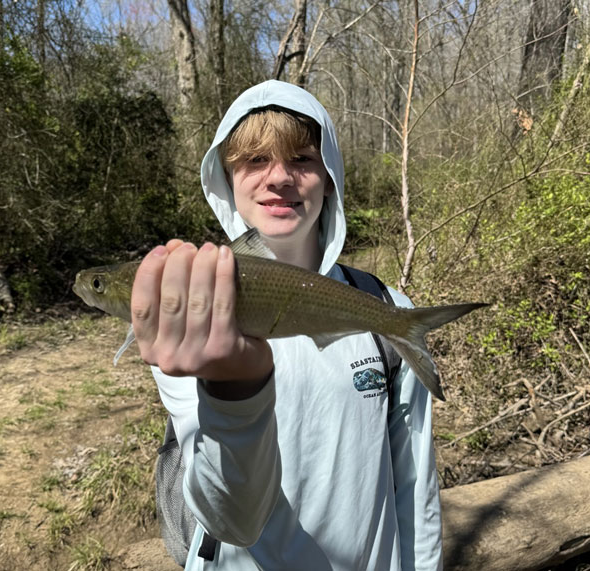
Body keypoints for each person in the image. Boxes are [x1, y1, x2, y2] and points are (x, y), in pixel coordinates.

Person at [131, 80, 443, 570]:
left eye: (301, 158)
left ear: (330, 176)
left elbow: (416, 484)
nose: (278, 178)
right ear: (226, 177)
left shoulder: (386, 306)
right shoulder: (189, 312)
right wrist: (235, 391)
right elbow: (231, 520)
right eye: (254, 160)